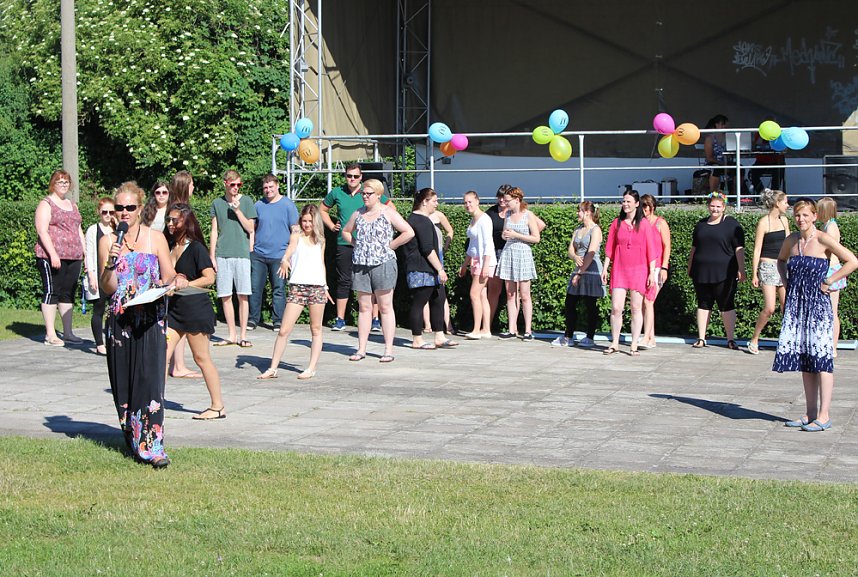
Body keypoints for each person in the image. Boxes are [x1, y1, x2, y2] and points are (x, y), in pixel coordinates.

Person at [98, 181, 188, 468]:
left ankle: (153, 447)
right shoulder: (107, 242)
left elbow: (169, 274)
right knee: (124, 385)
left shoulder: (155, 238)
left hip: (150, 318)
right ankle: (134, 438)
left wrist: (175, 282)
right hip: (120, 320)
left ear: (140, 208)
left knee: (150, 381)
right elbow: (108, 287)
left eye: (130, 207)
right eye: (119, 207)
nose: (124, 212)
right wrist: (111, 263)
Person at [774, 198, 857, 432]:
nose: (801, 219)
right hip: (797, 306)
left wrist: (830, 280)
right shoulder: (791, 240)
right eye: (797, 215)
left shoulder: (823, 238)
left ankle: (824, 415)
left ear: (814, 216)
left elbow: (852, 261)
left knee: (822, 360)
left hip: (818, 306)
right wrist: (786, 282)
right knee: (806, 360)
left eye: (805, 215)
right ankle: (810, 413)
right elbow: (780, 261)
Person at [341, 178, 414, 362]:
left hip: (383, 263)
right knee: (364, 307)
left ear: (379, 195)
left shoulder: (388, 212)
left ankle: (388, 349)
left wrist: (392, 246)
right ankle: (361, 349)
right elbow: (346, 231)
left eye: (369, 194)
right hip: (361, 264)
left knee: (385, 306)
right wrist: (357, 244)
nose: (365, 196)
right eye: (363, 193)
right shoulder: (358, 213)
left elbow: (408, 231)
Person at [164, 203, 225, 420]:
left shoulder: (196, 248)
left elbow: (210, 278)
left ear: (186, 221)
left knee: (201, 357)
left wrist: (186, 284)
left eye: (175, 220)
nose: (170, 224)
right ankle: (154, 403)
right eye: (168, 220)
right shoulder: (169, 245)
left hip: (196, 309)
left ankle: (217, 406)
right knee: (161, 355)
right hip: (174, 311)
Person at [258, 205, 332, 380]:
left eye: (310, 221)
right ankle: (273, 368)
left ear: (316, 221)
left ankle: (311, 368)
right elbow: (290, 250)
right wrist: (285, 260)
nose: (307, 224)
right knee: (284, 330)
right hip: (298, 287)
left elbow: (321, 263)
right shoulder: (296, 236)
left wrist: (325, 286)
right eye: (304, 221)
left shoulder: (321, 240)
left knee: (316, 329)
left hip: (317, 287)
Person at [320, 164, 393, 332]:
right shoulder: (337, 192)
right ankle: (340, 319)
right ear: (345, 176)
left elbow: (391, 207)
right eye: (349, 176)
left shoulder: (368, 191)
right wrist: (331, 225)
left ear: (361, 177)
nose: (352, 179)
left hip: (368, 246)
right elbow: (322, 209)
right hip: (344, 242)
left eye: (355, 176)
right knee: (343, 280)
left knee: (373, 282)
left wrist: (380, 231)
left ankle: (375, 319)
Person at [687, 191, 746, 349]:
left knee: (726, 304)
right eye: (712, 206)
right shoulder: (700, 224)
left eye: (718, 206)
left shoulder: (732, 224)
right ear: (708, 206)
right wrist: (690, 265)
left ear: (724, 207)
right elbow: (694, 247)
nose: (715, 209)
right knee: (703, 303)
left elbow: (739, 248)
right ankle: (701, 338)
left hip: (725, 273)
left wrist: (741, 268)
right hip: (701, 271)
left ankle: (730, 339)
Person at [601, 190, 657, 356]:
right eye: (624, 201)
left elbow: (651, 249)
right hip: (620, 269)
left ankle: (633, 344)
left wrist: (651, 272)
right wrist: (605, 268)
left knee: (636, 307)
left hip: (639, 270)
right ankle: (615, 342)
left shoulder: (644, 224)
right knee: (616, 307)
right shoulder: (616, 223)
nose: (625, 204)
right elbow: (609, 248)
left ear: (637, 204)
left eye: (628, 201)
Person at [34, 170, 86, 347]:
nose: (63, 185)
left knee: (68, 293)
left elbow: (78, 229)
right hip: (52, 256)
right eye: (60, 181)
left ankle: (68, 332)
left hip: (74, 256)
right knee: (52, 292)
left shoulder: (72, 205)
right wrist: (53, 254)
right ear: (53, 184)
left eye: (66, 182)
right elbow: (42, 231)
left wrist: (84, 252)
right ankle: (50, 334)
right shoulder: (46, 204)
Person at [404, 188, 458, 350]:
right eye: (434, 201)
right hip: (422, 268)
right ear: (424, 202)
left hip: (427, 268)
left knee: (438, 299)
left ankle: (439, 336)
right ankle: (417, 339)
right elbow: (428, 249)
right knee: (419, 302)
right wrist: (440, 269)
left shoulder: (418, 219)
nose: (436, 204)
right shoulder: (421, 221)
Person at [210, 169, 257, 348]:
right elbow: (214, 230)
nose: (236, 187)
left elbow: (250, 228)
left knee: (243, 295)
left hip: (242, 253)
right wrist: (212, 255)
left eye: (239, 184)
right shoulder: (217, 203)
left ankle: (243, 335)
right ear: (225, 184)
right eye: (233, 184)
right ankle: (231, 334)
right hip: (223, 253)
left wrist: (237, 211)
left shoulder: (247, 201)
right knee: (225, 295)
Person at [249, 174, 299, 330]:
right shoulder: (258, 205)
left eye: (271, 186)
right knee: (255, 288)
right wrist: (251, 249)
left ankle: (278, 320)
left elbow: (295, 230)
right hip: (258, 254)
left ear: (277, 186)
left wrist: (289, 255)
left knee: (278, 289)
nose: (268, 190)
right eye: (265, 187)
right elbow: (251, 229)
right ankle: (253, 319)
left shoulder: (288, 205)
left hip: (280, 256)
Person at [552, 201, 605, 348]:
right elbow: (571, 249)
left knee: (590, 304)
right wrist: (575, 257)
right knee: (570, 302)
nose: (577, 213)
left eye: (579, 211)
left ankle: (590, 337)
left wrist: (580, 273)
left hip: (591, 270)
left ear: (587, 212)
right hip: (578, 268)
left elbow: (591, 253)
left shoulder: (596, 230)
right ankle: (568, 336)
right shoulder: (578, 229)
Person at [747, 189, 790, 354]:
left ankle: (787, 339)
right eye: (785, 202)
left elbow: (788, 244)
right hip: (768, 266)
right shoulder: (764, 222)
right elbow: (757, 249)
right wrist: (754, 273)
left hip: (783, 265)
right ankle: (755, 338)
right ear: (777, 203)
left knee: (787, 306)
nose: (787, 205)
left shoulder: (784, 221)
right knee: (770, 307)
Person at [496, 186, 541, 340]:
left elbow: (536, 238)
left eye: (508, 200)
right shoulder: (508, 214)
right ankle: (511, 329)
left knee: (525, 294)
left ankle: (528, 330)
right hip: (509, 252)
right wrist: (505, 235)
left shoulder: (528, 215)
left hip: (523, 253)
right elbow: (504, 234)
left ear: (517, 200)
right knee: (510, 294)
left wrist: (516, 235)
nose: (505, 203)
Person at [164, 171, 196, 377]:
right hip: (177, 263)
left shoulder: (173, 207)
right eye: (191, 184)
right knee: (179, 316)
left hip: (177, 261)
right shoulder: (178, 210)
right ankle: (178, 365)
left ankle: (177, 364)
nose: (194, 187)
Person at [458, 190, 496, 340]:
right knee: (481, 295)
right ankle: (485, 329)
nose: (467, 205)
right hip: (476, 261)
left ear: (477, 201)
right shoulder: (474, 220)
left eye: (470, 202)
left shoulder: (484, 219)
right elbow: (472, 246)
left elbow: (488, 244)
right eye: (465, 203)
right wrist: (464, 265)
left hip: (484, 261)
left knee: (474, 294)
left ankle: (476, 330)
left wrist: (486, 265)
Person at [83, 197, 116, 355]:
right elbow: (89, 254)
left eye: (111, 212)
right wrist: (91, 275)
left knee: (114, 310)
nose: (108, 215)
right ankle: (99, 343)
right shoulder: (93, 230)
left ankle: (112, 340)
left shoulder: (117, 230)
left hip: (115, 276)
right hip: (99, 274)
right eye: (105, 212)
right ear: (99, 212)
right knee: (99, 309)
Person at [640, 194, 672, 349]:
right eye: (641, 206)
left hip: (657, 267)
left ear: (652, 207)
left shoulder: (660, 223)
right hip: (643, 267)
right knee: (643, 303)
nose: (643, 209)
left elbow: (667, 246)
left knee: (649, 301)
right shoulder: (640, 223)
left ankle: (647, 337)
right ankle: (651, 338)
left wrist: (664, 267)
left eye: (646, 206)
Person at [817, 197, 845, 357]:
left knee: (832, 311)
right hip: (827, 269)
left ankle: (833, 346)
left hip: (831, 270)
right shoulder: (826, 225)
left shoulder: (831, 228)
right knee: (826, 311)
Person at [422, 205, 454, 334]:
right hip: (424, 254)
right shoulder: (420, 216)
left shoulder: (439, 215)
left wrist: (445, 246)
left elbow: (450, 231)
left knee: (441, 289)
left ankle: (448, 325)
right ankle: (427, 324)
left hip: (438, 253)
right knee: (424, 289)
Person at [703, 114, 729, 193]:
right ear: (716, 124)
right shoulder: (710, 138)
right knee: (716, 169)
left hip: (726, 162)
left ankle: (735, 194)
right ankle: (713, 194)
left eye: (726, 125)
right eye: (723, 124)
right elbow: (709, 158)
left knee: (740, 168)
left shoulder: (728, 137)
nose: (725, 126)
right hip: (713, 163)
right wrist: (722, 163)